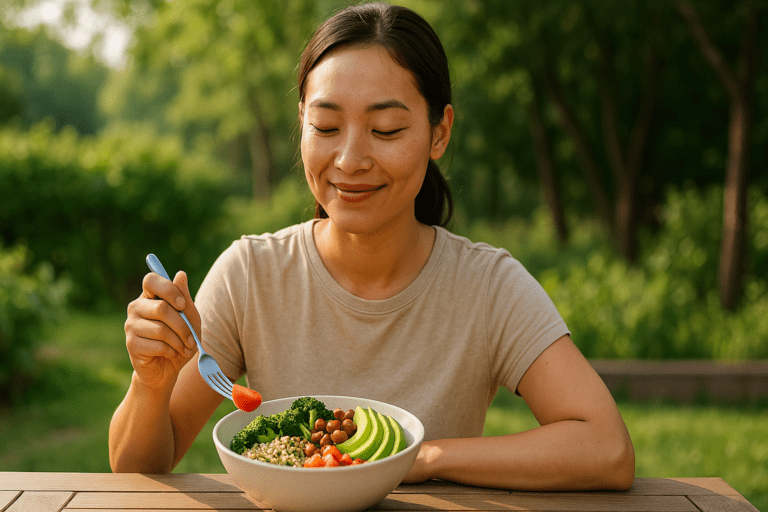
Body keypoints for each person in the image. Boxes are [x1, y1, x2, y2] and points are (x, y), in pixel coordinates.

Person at [110, 2, 635, 490]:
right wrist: (150, 385)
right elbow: (138, 468)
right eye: (327, 126)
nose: (350, 159)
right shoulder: (253, 273)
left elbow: (606, 449)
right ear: (301, 126)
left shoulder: (487, 286)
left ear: (439, 133)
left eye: (385, 129)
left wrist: (425, 457)